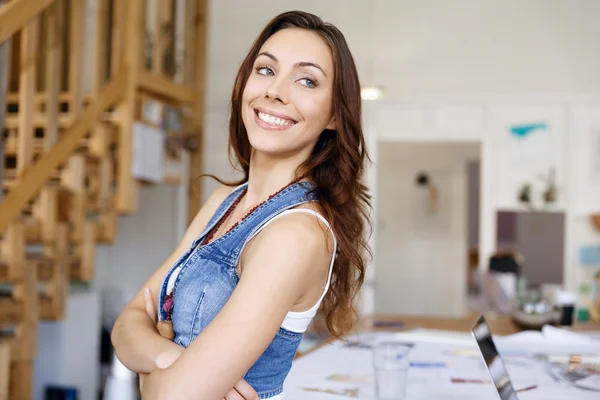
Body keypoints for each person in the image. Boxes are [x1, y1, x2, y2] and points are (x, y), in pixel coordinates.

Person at [111, 10, 371, 400]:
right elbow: (125, 326)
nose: (275, 91)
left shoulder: (296, 234)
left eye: (306, 80)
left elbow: (171, 396)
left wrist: (148, 374)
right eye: (266, 70)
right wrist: (170, 361)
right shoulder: (224, 200)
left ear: (334, 114)